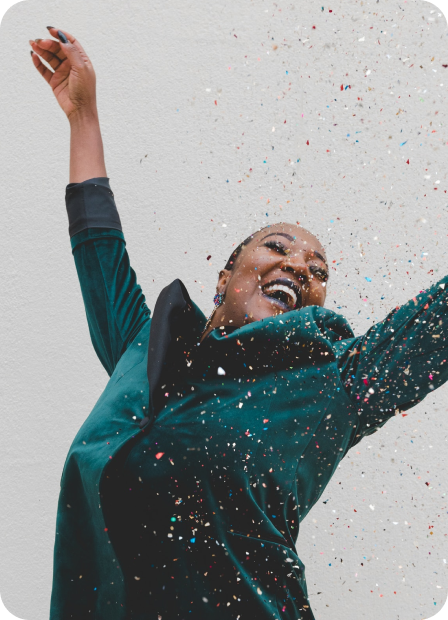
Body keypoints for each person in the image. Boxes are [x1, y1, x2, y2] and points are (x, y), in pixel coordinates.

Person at [31, 29, 448, 620]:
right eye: (278, 246)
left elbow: (438, 323)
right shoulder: (140, 349)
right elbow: (98, 243)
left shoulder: (332, 387)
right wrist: (83, 115)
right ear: (226, 275)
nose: (299, 266)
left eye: (318, 270)